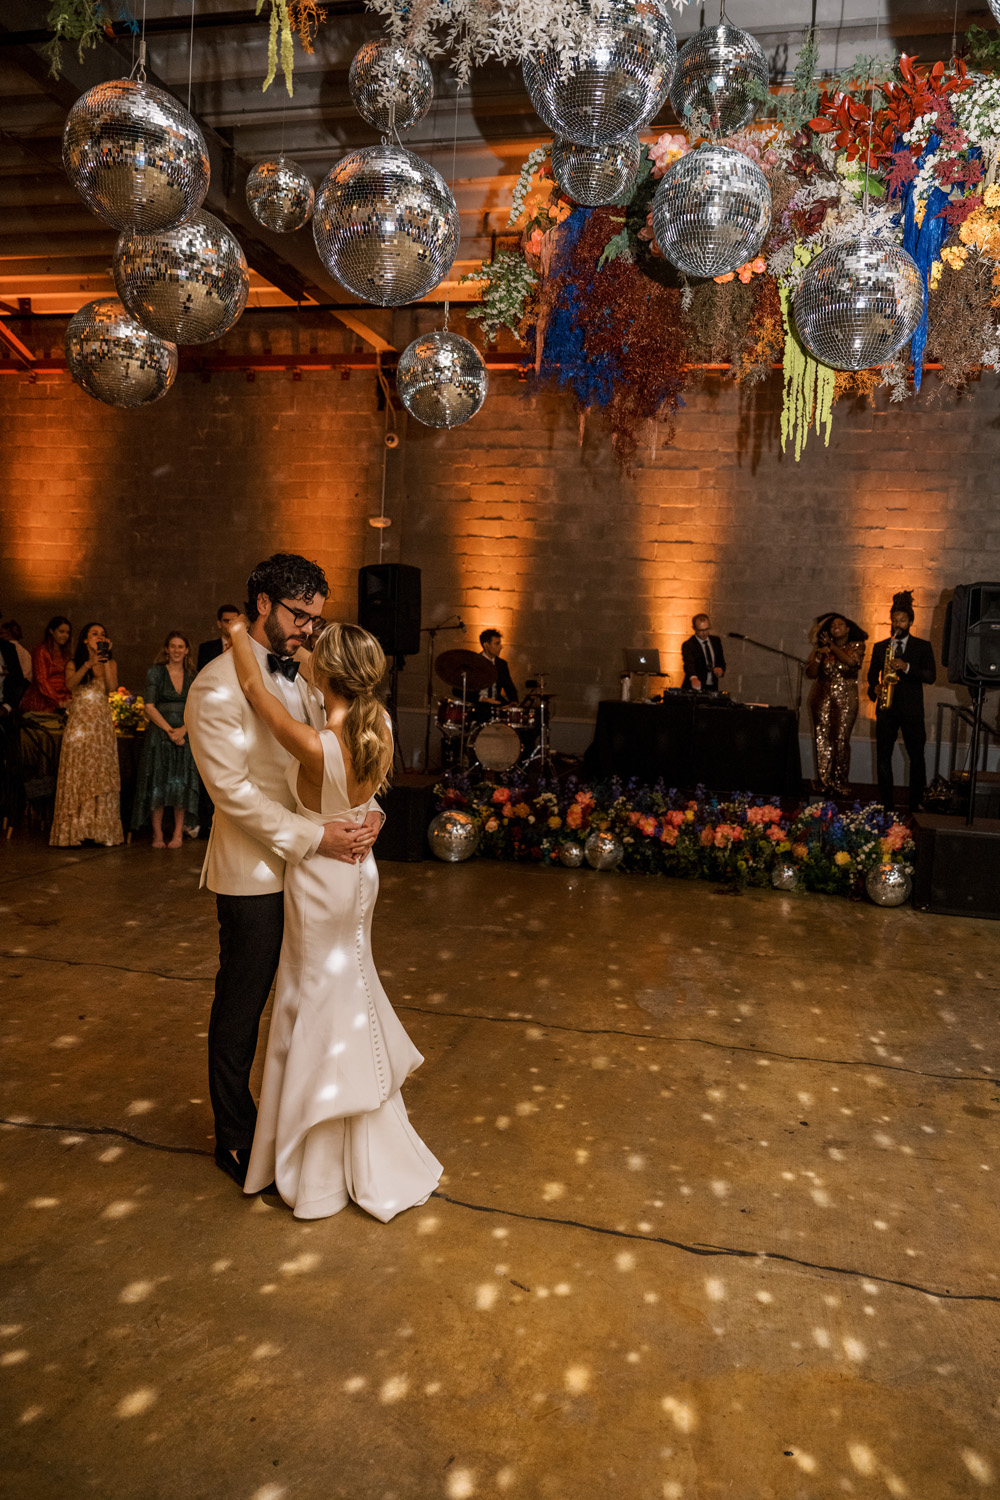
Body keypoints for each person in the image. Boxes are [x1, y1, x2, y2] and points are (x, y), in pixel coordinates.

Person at [227, 614, 441, 1220]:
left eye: (316, 654)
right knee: (348, 987)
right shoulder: (382, 724)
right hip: (360, 873)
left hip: (320, 878)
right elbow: (368, 795)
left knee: (312, 997)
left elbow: (254, 692)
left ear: (329, 672)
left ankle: (311, 1157)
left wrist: (240, 633)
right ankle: (353, 1134)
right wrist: (370, 815)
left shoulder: (316, 741)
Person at [184, 553, 383, 1192]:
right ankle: (235, 1137)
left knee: (302, 1004)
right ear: (263, 605)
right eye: (300, 615)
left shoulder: (306, 675)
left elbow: (341, 747)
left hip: (312, 874)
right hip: (253, 874)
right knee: (243, 1005)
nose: (309, 630)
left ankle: (292, 1130)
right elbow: (233, 794)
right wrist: (317, 836)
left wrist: (366, 810)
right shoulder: (214, 688)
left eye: (317, 619)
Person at [49, 621, 123, 847]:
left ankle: (100, 831)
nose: (99, 637)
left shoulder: (110, 662)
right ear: (84, 639)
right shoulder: (74, 662)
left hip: (100, 724)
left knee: (101, 771)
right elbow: (70, 685)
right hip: (81, 723)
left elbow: (111, 687)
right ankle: (75, 830)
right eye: (94, 634)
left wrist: (105, 659)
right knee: (79, 771)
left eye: (103, 634)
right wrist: (88, 664)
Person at [866, 590, 937, 813]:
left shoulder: (922, 647)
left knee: (917, 757)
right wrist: (874, 688)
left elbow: (930, 676)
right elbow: (870, 677)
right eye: (895, 619)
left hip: (912, 711)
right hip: (886, 709)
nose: (897, 623)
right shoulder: (880, 647)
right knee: (883, 758)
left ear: (910, 621)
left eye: (902, 620)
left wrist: (905, 666)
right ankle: (886, 803)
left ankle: (917, 802)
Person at [132, 631, 200, 847]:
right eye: (173, 646)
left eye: (181, 646)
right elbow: (149, 706)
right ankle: (157, 834)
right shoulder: (156, 673)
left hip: (185, 734)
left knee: (181, 784)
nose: (177, 650)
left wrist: (184, 729)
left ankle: (179, 833)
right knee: (158, 784)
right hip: (160, 736)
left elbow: (199, 707)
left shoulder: (192, 675)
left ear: (187, 650)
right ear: (166, 649)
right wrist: (170, 730)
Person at [806, 612, 867, 797]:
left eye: (839, 625)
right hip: (822, 695)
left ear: (848, 628)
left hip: (846, 696)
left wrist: (831, 647)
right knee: (822, 738)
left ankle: (840, 782)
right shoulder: (821, 648)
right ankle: (824, 781)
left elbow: (851, 662)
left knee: (840, 739)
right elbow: (810, 673)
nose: (835, 628)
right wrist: (818, 656)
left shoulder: (856, 645)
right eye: (832, 626)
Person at [22, 617, 73, 715]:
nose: (65, 635)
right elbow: (41, 680)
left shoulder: (66, 653)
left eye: (67, 632)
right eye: (61, 631)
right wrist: (57, 700)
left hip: (63, 697)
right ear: (51, 631)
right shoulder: (41, 651)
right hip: (44, 698)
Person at [681, 614, 726, 692]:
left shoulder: (716, 641)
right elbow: (688, 664)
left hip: (712, 687)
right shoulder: (689, 644)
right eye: (701, 630)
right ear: (694, 629)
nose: (704, 633)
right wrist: (693, 677)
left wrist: (721, 670)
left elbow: (721, 662)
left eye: (706, 629)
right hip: (694, 688)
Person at [478, 628, 517, 705]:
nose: (501, 647)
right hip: (478, 706)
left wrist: (514, 701)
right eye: (497, 643)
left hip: (497, 704)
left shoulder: (501, 664)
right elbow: (459, 691)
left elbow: (509, 687)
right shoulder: (474, 662)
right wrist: (483, 699)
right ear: (486, 645)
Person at [197, 604, 241, 671]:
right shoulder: (206, 649)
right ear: (219, 624)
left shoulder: (248, 646)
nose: (231, 624)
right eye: (227, 621)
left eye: (234, 621)